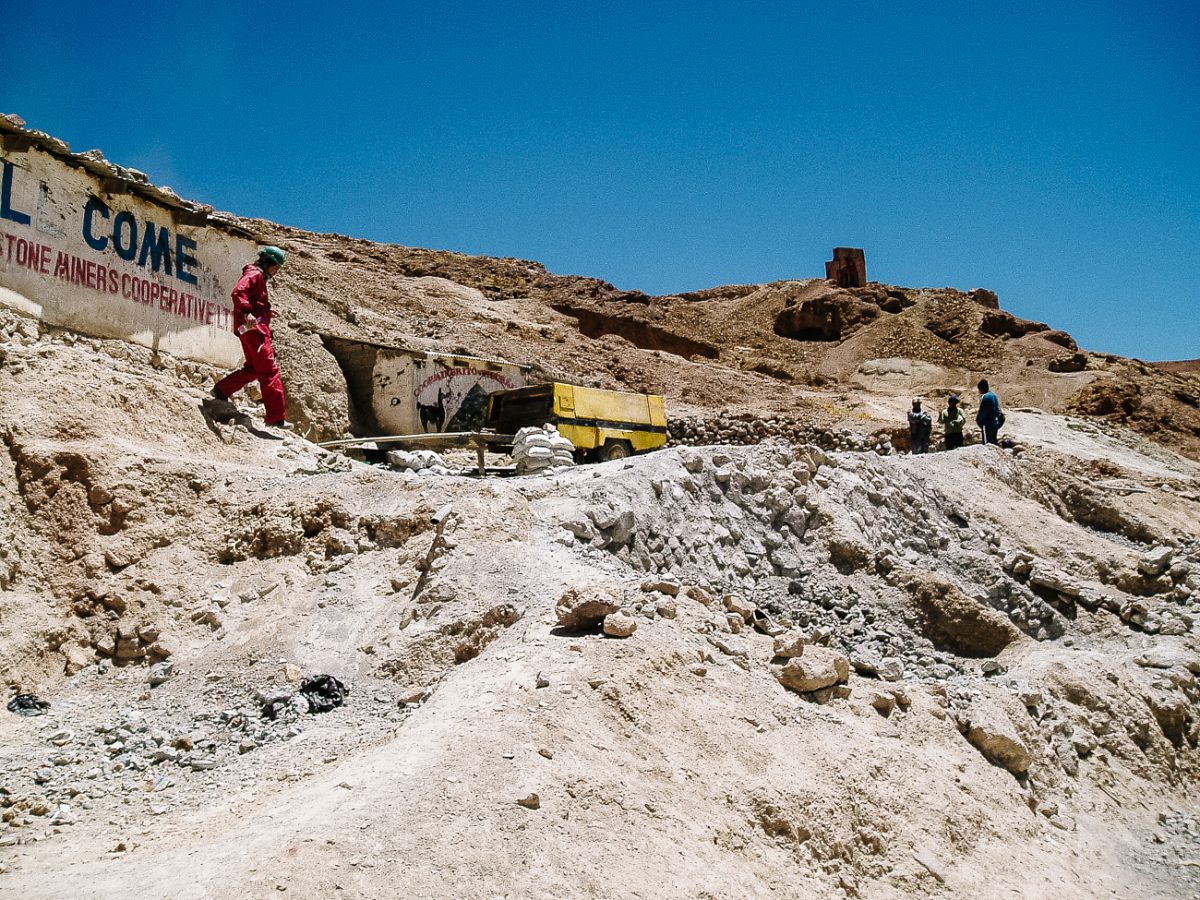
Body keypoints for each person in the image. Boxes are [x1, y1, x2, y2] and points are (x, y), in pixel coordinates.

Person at [212, 246, 290, 429]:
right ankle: (275, 417)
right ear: (268, 262)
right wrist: (247, 313)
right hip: (256, 332)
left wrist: (267, 311)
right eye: (276, 267)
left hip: (249, 330)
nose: (276, 271)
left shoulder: (258, 277)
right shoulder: (254, 274)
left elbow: (255, 302)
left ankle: (222, 389)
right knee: (269, 371)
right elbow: (238, 292)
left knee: (253, 369)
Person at [976, 379, 1003, 445]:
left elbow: (983, 411)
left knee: (987, 444)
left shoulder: (986, 397)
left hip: (987, 423)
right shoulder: (994, 396)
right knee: (993, 442)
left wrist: (978, 420)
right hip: (995, 422)